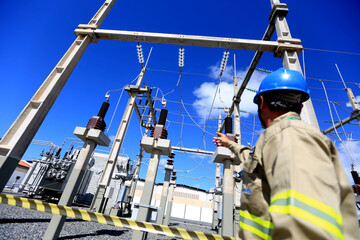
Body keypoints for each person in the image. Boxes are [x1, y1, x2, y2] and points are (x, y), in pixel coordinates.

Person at [213, 68, 359, 240]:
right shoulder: (280, 137)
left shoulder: (289, 137)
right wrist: (230, 144)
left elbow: (310, 224)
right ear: (301, 106)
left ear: (262, 102)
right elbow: (254, 162)